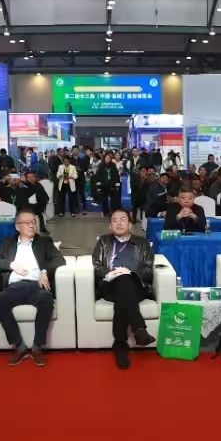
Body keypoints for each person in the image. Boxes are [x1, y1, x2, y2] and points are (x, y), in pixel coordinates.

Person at [0, 209, 65, 367]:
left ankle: (37, 347)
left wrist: (44, 271)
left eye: (33, 222)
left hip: (36, 286)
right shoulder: (8, 243)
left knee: (46, 299)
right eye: (27, 223)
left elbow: (59, 260)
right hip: (15, 286)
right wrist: (11, 265)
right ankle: (19, 346)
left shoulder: (44, 242)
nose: (32, 225)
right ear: (17, 226)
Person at [91, 209, 156, 369]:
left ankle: (120, 344)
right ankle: (139, 329)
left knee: (125, 282)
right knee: (122, 282)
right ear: (110, 225)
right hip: (110, 286)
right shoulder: (103, 241)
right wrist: (112, 273)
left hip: (137, 286)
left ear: (130, 224)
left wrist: (129, 273)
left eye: (123, 219)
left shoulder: (142, 243)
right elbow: (97, 266)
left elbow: (148, 270)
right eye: (114, 220)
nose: (119, 223)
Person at [92, 153, 122, 218]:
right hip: (103, 185)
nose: (108, 159)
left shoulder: (113, 165)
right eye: (106, 158)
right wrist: (98, 186)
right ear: (104, 158)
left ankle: (113, 211)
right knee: (104, 200)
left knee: (113, 200)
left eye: (109, 158)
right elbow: (98, 176)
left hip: (112, 185)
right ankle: (106, 212)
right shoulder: (101, 165)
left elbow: (116, 175)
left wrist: (117, 184)